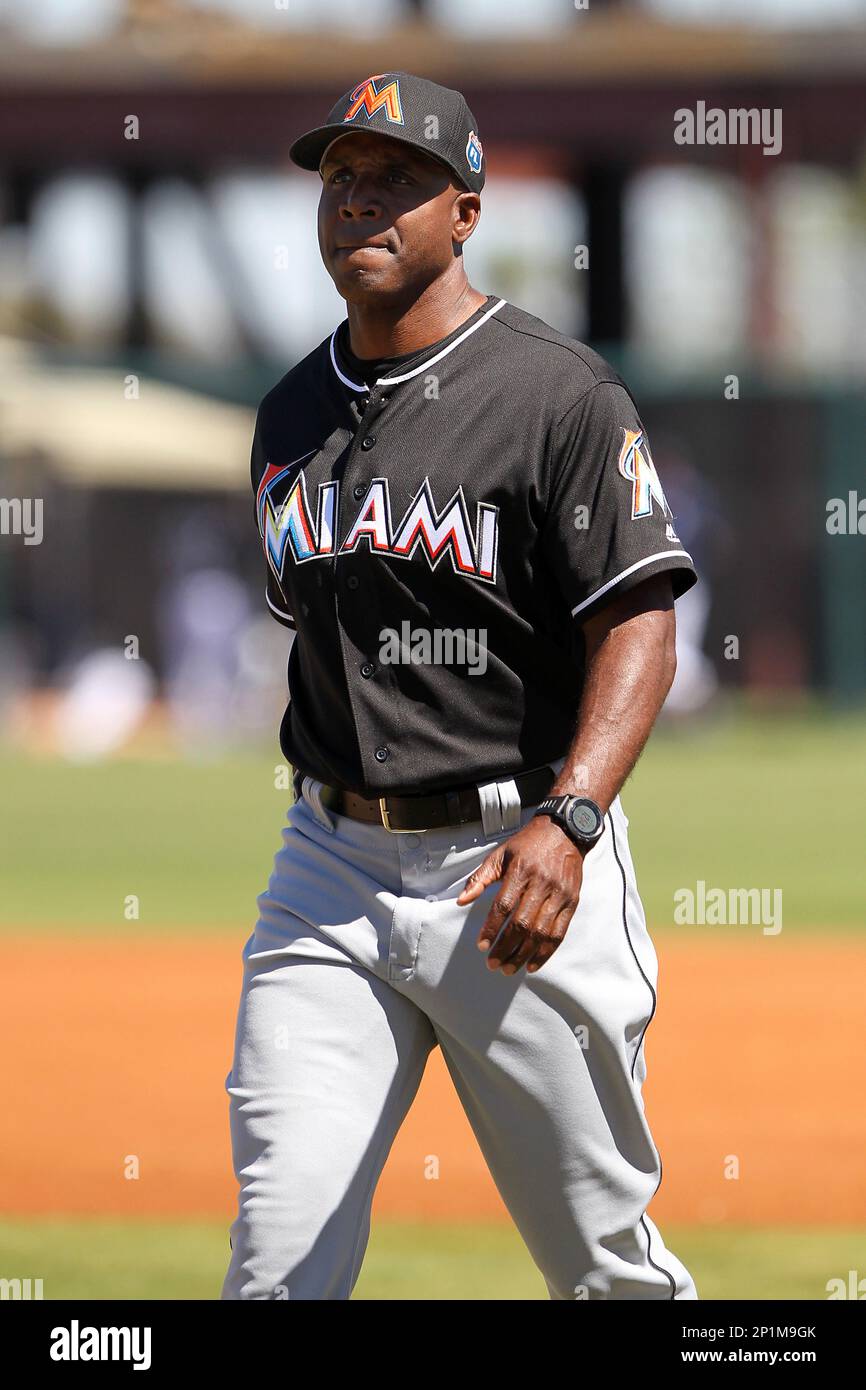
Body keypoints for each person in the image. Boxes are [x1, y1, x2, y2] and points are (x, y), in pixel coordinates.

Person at [221, 71, 699, 1301]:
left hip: (521, 864)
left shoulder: (557, 394)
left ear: (466, 210)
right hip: (326, 874)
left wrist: (574, 816)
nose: (358, 200)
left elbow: (638, 618)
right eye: (339, 176)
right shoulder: (288, 411)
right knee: (277, 1266)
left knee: (603, 1272)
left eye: (395, 177)